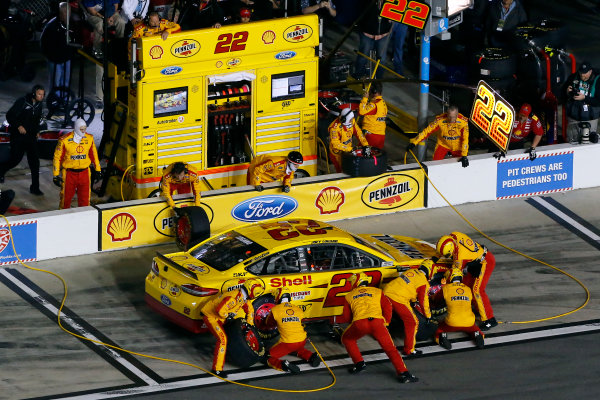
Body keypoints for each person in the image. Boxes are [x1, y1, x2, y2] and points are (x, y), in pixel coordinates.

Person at [340, 273, 418, 383]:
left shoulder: (349, 295)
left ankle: (359, 364)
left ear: (356, 282)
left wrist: (355, 325)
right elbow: (388, 306)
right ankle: (404, 373)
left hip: (360, 323)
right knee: (391, 349)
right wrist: (386, 321)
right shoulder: (377, 291)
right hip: (378, 322)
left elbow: (346, 317)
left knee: (347, 339)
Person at [201, 279, 263, 377]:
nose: (256, 294)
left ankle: (225, 354)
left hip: (221, 318)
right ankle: (217, 370)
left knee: (230, 335)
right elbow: (220, 311)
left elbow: (250, 310)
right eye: (255, 292)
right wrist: (228, 315)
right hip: (211, 317)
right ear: (250, 291)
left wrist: (249, 326)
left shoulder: (242, 297)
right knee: (222, 340)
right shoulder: (233, 297)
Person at [437, 232, 497, 331]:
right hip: (477, 260)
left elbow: (454, 276)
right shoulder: (454, 235)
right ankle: (478, 308)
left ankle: (489, 319)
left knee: (477, 290)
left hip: (485, 262)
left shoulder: (460, 257)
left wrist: (443, 284)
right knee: (467, 286)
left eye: (448, 254)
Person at [0, 85, 46, 195]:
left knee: (35, 163)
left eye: (43, 94)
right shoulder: (23, 101)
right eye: (40, 94)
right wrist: (19, 126)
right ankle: (0, 171)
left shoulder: (40, 104)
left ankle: (35, 188)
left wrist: (38, 131)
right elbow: (10, 115)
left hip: (31, 137)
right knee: (15, 159)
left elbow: (38, 119)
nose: (42, 96)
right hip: (18, 137)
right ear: (34, 93)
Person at [264, 287, 320, 374]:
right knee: (297, 349)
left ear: (278, 297)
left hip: (288, 343)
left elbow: (268, 324)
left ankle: (283, 365)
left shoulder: (275, 310)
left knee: (267, 356)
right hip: (302, 340)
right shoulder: (297, 309)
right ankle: (311, 356)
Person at [383, 260, 432, 357]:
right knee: (413, 322)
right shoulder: (424, 282)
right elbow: (423, 302)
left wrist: (413, 301)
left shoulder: (411, 271)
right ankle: (409, 350)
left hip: (386, 292)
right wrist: (428, 315)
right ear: (429, 272)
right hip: (398, 299)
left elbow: (409, 286)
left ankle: (381, 333)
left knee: (386, 318)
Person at [52, 119, 102, 209]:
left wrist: (98, 169)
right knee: (65, 199)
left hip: (85, 173)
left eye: (85, 129)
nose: (83, 131)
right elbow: (57, 157)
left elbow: (94, 155)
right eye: (81, 129)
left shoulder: (89, 138)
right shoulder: (64, 140)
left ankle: (84, 218)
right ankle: (63, 217)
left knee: (85, 200)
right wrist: (55, 175)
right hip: (69, 174)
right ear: (76, 128)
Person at [434, 268, 485, 350]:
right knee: (474, 328)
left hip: (451, 323)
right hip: (469, 322)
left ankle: (441, 337)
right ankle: (478, 335)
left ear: (449, 277)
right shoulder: (468, 289)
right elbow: (475, 303)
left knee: (438, 328)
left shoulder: (445, 288)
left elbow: (436, 302)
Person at [40, 2, 76, 110]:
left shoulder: (72, 23)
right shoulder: (51, 26)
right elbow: (43, 43)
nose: (67, 15)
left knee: (65, 82)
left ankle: (63, 103)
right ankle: (54, 103)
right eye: (65, 13)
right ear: (60, 14)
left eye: (68, 13)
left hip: (66, 58)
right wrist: (50, 56)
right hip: (54, 59)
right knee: (56, 82)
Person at [562, 61, 600, 145]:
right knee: (572, 143)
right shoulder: (573, 77)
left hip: (590, 120)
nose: (582, 76)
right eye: (581, 73)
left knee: (589, 144)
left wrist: (585, 98)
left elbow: (598, 101)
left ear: (590, 71)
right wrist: (567, 91)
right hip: (574, 119)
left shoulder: (598, 80)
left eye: (585, 74)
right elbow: (562, 95)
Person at [354, 0, 392, 79]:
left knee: (382, 60)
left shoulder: (390, 2)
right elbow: (359, 15)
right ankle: (358, 78)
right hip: (367, 34)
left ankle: (378, 81)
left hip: (383, 35)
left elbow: (392, 20)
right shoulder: (366, 2)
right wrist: (365, 31)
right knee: (363, 58)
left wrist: (385, 32)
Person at [328, 108, 369, 173]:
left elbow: (358, 133)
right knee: (341, 172)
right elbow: (335, 144)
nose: (351, 121)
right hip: (337, 154)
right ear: (344, 120)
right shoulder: (334, 128)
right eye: (350, 120)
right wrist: (351, 149)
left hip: (348, 150)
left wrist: (365, 145)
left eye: (352, 119)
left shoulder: (352, 121)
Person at [358, 82, 388, 149]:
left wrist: (365, 99)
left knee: (360, 155)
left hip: (371, 136)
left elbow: (361, 112)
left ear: (373, 91)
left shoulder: (374, 104)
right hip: (381, 136)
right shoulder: (383, 103)